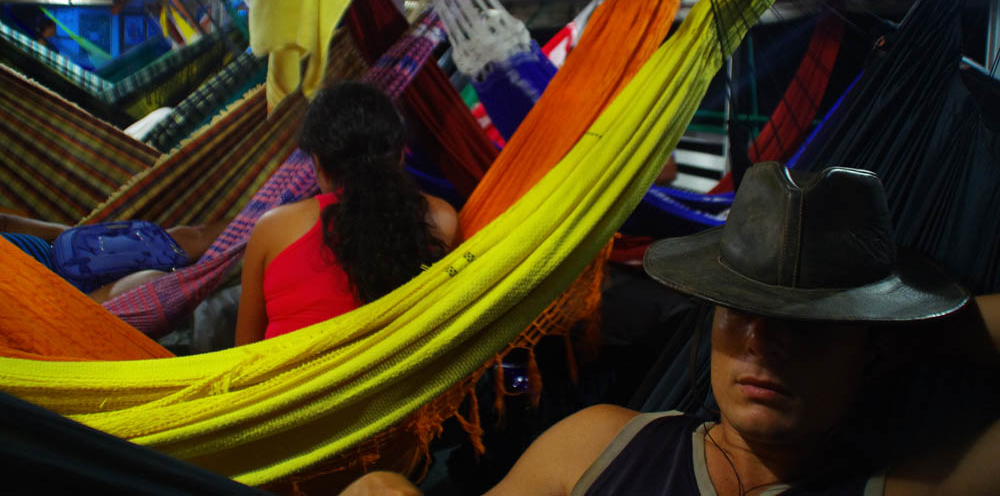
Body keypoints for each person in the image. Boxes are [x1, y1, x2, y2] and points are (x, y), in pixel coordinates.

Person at [339, 162, 999, 495]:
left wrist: (908, 324)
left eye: (810, 326)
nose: (764, 342)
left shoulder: (909, 488)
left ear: (874, 349)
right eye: (742, 310)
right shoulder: (599, 446)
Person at [235, 82, 458, 345]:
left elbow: (245, 351)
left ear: (319, 165)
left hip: (299, 372)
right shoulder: (441, 219)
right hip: (408, 367)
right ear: (400, 155)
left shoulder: (274, 229)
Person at [0, 212, 230, 303]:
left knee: (185, 240)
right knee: (161, 284)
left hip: (73, 252)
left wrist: (67, 234)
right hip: (71, 305)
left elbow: (5, 223)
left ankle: (247, 227)